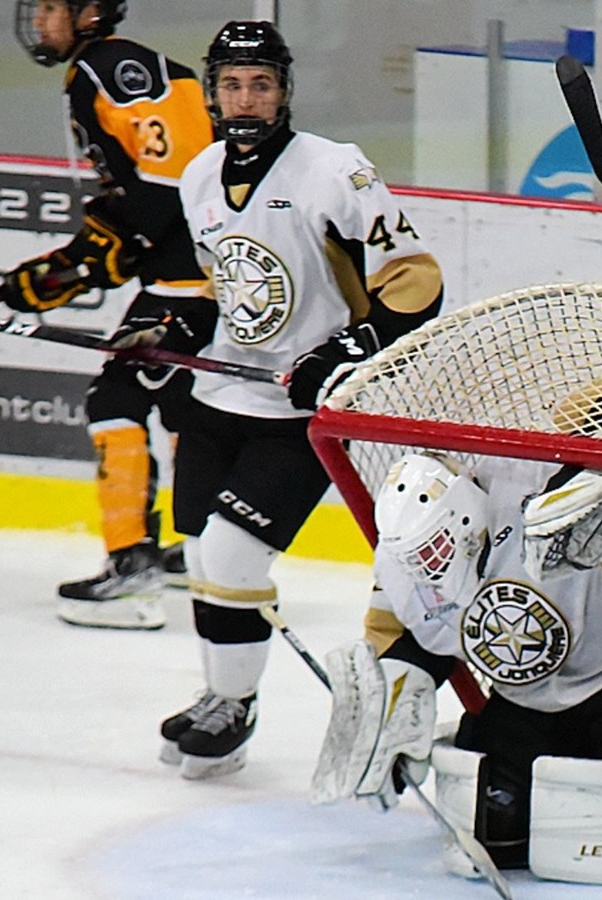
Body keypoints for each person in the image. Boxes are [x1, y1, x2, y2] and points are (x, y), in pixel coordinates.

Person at [152, 20, 445, 780]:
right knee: (202, 556)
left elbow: (416, 282)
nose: (246, 99)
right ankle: (227, 697)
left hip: (300, 416)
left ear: (284, 91)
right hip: (222, 393)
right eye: (232, 85)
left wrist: (349, 349)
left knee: (231, 549)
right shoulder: (200, 174)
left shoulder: (333, 171)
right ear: (213, 93)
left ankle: (231, 703)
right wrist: (180, 323)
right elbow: (225, 283)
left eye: (262, 84)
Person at [310, 427, 602, 872]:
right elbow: (406, 643)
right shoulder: (402, 566)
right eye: (415, 557)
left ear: (464, 518)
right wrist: (388, 718)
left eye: (432, 549)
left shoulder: (526, 473)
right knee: (497, 835)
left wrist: (590, 472)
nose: (426, 567)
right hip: (535, 707)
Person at [4, 0, 214, 629]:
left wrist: (85, 262)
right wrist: (74, 266)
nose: (38, 22)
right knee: (183, 407)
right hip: (197, 273)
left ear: (88, 11)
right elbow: (145, 203)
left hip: (191, 278)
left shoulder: (109, 67)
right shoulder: (108, 66)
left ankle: (133, 567)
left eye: (48, 8)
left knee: (116, 399)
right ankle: (199, 551)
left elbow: (173, 180)